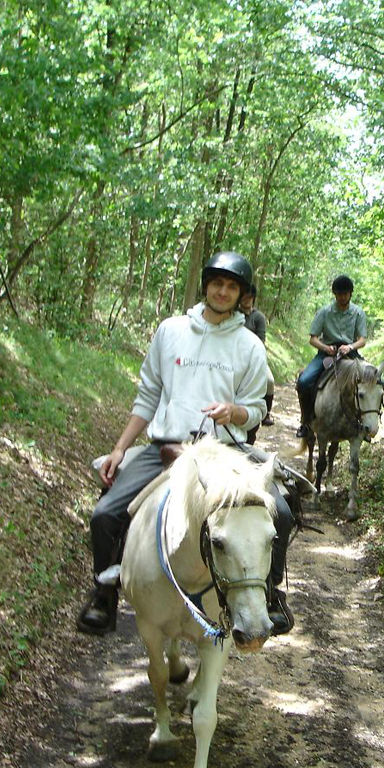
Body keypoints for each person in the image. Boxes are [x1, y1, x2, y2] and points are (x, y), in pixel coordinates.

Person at [77, 251, 295, 637]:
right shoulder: (171, 331)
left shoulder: (249, 345)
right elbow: (147, 396)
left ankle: (270, 594)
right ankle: (104, 593)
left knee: (279, 510)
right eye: (217, 283)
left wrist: (235, 413)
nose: (223, 292)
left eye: (232, 286)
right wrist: (119, 447)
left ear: (242, 294)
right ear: (206, 285)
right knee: (105, 514)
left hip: (225, 452)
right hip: (168, 447)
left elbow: (257, 408)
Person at [295, 274, 367, 438]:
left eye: (345, 294)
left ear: (350, 294)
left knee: (374, 380)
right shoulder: (325, 312)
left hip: (350, 353)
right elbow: (313, 339)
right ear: (334, 294)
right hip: (326, 353)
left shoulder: (358, 313)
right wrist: (326, 348)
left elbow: (362, 340)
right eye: (339, 294)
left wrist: (350, 347)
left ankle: (365, 423)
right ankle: (306, 421)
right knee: (304, 381)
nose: (342, 297)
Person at [239, 284, 275, 442]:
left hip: (254, 357)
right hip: (234, 355)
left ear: (253, 298)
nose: (246, 300)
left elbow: (261, 340)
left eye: (249, 297)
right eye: (244, 297)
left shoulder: (258, 317)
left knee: (269, 381)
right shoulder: (233, 314)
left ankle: (266, 414)